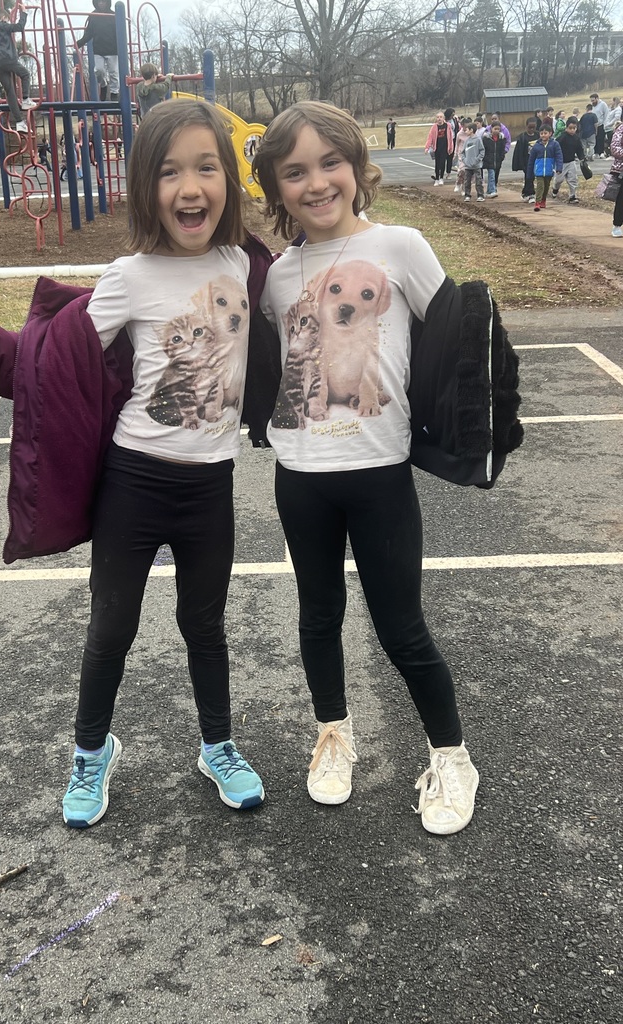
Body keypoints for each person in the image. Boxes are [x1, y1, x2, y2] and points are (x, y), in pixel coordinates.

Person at [0, 100, 272, 829]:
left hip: (210, 490)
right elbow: (43, 360)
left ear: (228, 178)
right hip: (133, 485)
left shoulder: (247, 265)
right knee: (112, 629)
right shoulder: (130, 278)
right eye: (169, 172)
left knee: (206, 626)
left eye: (205, 167)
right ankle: (91, 751)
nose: (189, 187)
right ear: (145, 187)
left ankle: (217, 745)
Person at [251, 101, 521, 835]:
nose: (316, 182)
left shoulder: (401, 247)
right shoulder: (276, 278)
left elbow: (459, 347)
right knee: (318, 618)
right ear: (276, 186)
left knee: (402, 628)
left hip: (379, 475)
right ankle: (333, 734)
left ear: (355, 166)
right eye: (295, 171)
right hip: (299, 476)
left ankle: (452, 756)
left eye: (329, 163)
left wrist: (470, 433)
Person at [0, 6, 36, 134]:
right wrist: (24, 12)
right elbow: (19, 27)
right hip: (8, 58)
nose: (8, 21)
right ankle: (25, 99)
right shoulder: (3, 25)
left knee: (10, 92)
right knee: (25, 74)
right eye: (7, 19)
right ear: (3, 18)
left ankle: (20, 122)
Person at [76, 0, 119, 101]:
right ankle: (103, 85)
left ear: (107, 2)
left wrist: (121, 47)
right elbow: (89, 32)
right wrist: (79, 43)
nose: (101, 4)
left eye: (103, 1)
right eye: (99, 2)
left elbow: (119, 32)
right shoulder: (94, 15)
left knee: (113, 72)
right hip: (98, 49)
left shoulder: (113, 15)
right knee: (99, 70)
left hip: (112, 49)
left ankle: (114, 92)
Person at [527, 124, 562, 211]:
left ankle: (543, 200)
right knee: (540, 186)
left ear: (550, 133)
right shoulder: (536, 146)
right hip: (539, 170)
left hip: (549, 170)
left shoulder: (555, 144)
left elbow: (559, 156)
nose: (543, 135)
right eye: (541, 133)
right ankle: (537, 202)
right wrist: (529, 172)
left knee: (546, 186)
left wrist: (559, 168)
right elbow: (531, 160)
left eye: (545, 133)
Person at [551, 117, 584, 204]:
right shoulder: (562, 137)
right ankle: (555, 189)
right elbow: (555, 148)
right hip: (561, 163)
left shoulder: (576, 138)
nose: (572, 130)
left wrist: (582, 158)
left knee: (573, 179)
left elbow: (579, 149)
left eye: (574, 128)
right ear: (566, 127)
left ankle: (572, 196)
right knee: (558, 180)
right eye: (570, 128)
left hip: (571, 162)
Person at [511, 116, 541, 203]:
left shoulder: (538, 135)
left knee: (530, 178)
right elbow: (519, 152)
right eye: (529, 127)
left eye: (533, 127)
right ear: (526, 126)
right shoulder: (522, 137)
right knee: (529, 177)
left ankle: (525, 193)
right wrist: (521, 164)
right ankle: (531, 194)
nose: (531, 129)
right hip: (527, 161)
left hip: (537, 160)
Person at [425, 111, 453, 186]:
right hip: (437, 147)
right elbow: (430, 137)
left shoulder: (448, 126)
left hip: (445, 147)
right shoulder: (434, 127)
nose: (439, 119)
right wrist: (427, 147)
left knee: (443, 163)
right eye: (438, 117)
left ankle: (441, 178)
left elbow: (450, 137)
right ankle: (437, 178)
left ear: (443, 118)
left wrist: (451, 147)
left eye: (441, 117)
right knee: (437, 163)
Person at [459, 122, 485, 202]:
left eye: (466, 130)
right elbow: (462, 152)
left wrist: (477, 160)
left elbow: (482, 151)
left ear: (471, 130)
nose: (465, 131)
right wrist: (465, 160)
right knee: (467, 181)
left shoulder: (478, 140)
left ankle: (480, 195)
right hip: (468, 166)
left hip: (476, 166)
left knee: (478, 181)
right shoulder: (467, 141)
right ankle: (467, 195)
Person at [482, 120, 506, 196]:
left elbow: (502, 149)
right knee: (491, 175)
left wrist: (502, 157)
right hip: (489, 160)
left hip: (498, 160)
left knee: (495, 176)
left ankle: (489, 190)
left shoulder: (501, 139)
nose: (496, 131)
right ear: (491, 129)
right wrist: (486, 158)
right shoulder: (486, 139)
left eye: (498, 129)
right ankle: (492, 190)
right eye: (495, 129)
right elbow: (484, 149)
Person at [610, 120, 623, 238]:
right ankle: (617, 225)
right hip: (622, 170)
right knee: (622, 198)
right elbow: (614, 148)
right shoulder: (621, 129)